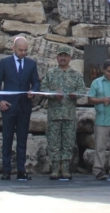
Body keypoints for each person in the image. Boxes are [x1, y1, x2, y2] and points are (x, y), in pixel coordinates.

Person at [0, 35, 39, 181]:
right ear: (13, 48)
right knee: (7, 139)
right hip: (8, 107)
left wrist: (34, 91)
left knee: (22, 140)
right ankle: (6, 170)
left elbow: (36, 82)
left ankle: (21, 170)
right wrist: (0, 101)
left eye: (25, 50)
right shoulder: (5, 63)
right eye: (20, 50)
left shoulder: (31, 64)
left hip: (24, 107)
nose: (23, 53)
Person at [40, 45, 86, 180]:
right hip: (54, 114)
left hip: (69, 115)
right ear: (57, 57)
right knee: (53, 141)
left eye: (66, 56)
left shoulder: (76, 74)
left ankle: (65, 168)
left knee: (68, 141)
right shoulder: (50, 73)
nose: (63, 58)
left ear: (70, 58)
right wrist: (53, 94)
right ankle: (55, 168)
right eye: (61, 55)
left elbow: (82, 90)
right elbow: (43, 88)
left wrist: (75, 94)